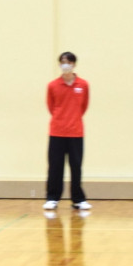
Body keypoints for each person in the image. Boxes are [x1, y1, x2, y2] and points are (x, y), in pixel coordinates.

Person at [44, 52, 90, 211]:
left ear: (74, 64)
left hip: (76, 132)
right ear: (59, 64)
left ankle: (78, 199)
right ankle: (52, 198)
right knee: (55, 167)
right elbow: (51, 107)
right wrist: (61, 119)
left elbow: (83, 106)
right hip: (57, 132)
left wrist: (73, 119)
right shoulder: (52, 85)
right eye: (63, 62)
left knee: (76, 167)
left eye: (69, 62)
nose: (66, 65)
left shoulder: (83, 85)